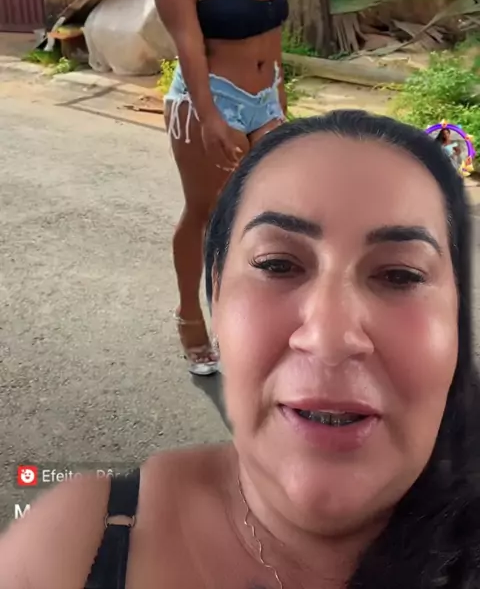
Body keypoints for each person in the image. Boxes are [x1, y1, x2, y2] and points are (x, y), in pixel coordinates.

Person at [2, 109, 479, 589]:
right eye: (277, 265)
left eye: (400, 275)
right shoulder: (73, 547)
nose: (329, 338)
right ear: (216, 290)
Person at [154, 0, 288, 376]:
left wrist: (278, 96)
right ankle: (191, 317)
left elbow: (272, 28)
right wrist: (210, 116)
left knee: (268, 218)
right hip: (210, 100)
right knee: (207, 213)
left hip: (265, 99)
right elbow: (188, 47)